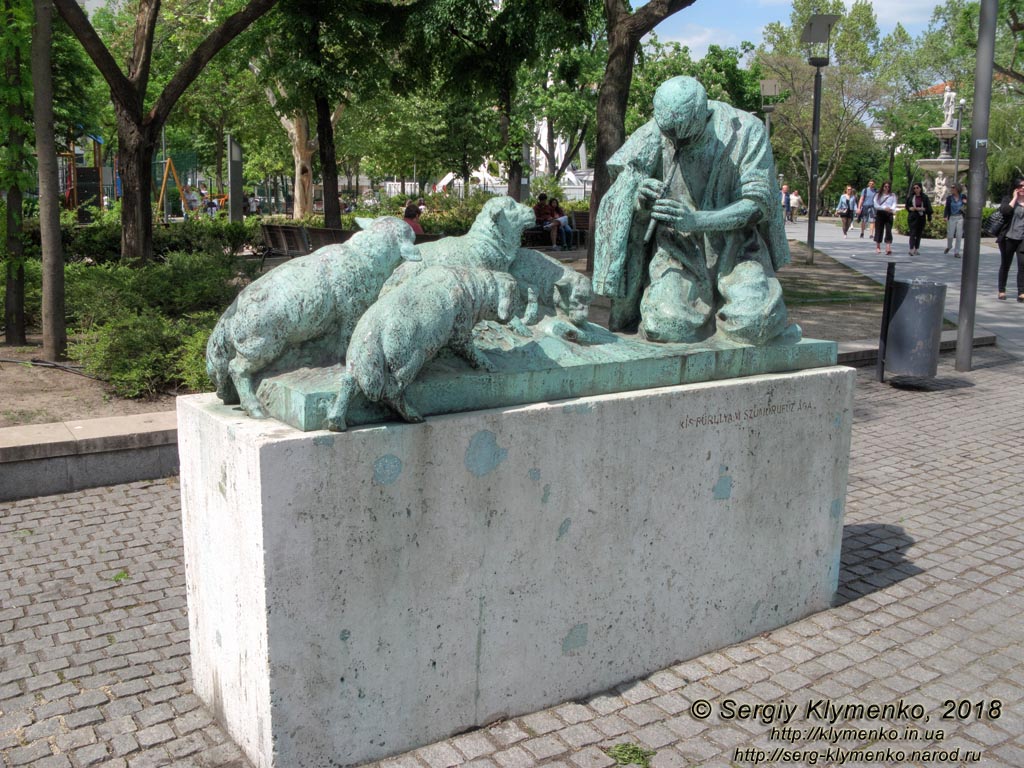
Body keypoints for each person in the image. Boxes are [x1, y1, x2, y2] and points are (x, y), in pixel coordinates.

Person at [593, 76, 793, 345]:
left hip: (737, 252)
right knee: (665, 325)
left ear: (704, 113)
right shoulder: (656, 131)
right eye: (669, 136)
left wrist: (696, 220)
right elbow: (624, 194)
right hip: (676, 251)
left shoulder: (748, 130)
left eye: (683, 137)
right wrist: (640, 198)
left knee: (754, 325)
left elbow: (758, 205)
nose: (675, 143)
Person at [996, 180, 1024, 301]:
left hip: (1022, 238)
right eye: (1019, 186)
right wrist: (1014, 198)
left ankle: (1021, 292)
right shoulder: (1008, 199)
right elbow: (1005, 211)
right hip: (1008, 238)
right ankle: (1001, 290)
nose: (1022, 188)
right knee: (1005, 264)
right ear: (1015, 187)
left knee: (1022, 265)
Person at [904, 182, 932, 257]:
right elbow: (907, 206)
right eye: (914, 188)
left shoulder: (924, 197)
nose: (916, 189)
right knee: (912, 233)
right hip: (913, 217)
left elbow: (928, 208)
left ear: (920, 188)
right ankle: (911, 248)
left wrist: (923, 209)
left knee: (919, 234)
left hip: (921, 217)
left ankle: (916, 248)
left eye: (917, 188)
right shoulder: (911, 197)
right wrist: (910, 208)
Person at [873, 181, 898, 255]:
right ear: (883, 187)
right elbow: (876, 204)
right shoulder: (878, 195)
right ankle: (878, 246)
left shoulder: (892, 195)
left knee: (888, 230)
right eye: (885, 186)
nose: (887, 188)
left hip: (889, 214)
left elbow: (894, 204)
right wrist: (884, 208)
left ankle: (888, 246)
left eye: (888, 186)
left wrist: (891, 209)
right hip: (880, 213)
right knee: (879, 230)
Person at [944, 184, 967, 257]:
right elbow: (947, 207)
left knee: (959, 235)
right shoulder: (949, 198)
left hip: (960, 217)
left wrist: (966, 202)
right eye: (951, 187)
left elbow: (968, 205)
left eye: (953, 187)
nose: (951, 188)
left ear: (957, 188)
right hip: (952, 217)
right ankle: (949, 246)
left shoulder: (963, 196)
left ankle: (957, 252)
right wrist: (945, 216)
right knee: (950, 234)